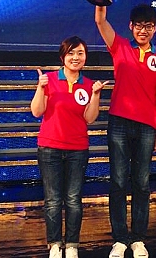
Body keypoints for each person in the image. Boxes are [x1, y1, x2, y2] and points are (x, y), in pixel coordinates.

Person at [94, 4, 156, 258]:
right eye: (139, 25)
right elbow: (100, 21)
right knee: (118, 181)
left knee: (142, 182)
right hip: (119, 122)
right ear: (131, 26)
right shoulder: (120, 47)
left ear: (155, 29)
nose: (143, 30)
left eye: (148, 26)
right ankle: (119, 239)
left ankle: (138, 239)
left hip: (147, 125)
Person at [31, 36, 108, 258]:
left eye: (80, 53)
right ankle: (55, 244)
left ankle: (72, 244)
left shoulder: (89, 84)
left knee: (74, 199)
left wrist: (95, 96)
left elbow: (90, 118)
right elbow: (36, 111)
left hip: (77, 149)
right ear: (63, 57)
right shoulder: (49, 79)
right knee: (53, 199)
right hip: (50, 147)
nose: (76, 57)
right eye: (71, 53)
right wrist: (40, 88)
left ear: (85, 57)